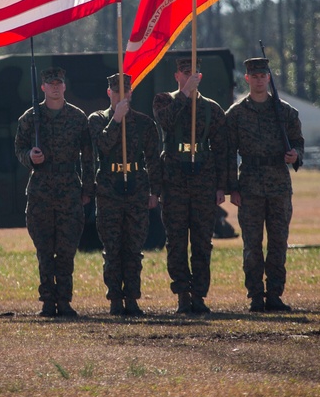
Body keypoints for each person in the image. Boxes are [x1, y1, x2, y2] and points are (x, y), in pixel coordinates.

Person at [14, 66, 95, 318]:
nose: (55, 87)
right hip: (41, 190)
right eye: (51, 84)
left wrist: (87, 188)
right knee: (44, 249)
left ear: (64, 86)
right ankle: (48, 302)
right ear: (43, 88)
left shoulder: (78, 117)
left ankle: (65, 301)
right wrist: (30, 156)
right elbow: (19, 149)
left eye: (59, 83)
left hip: (70, 189)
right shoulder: (30, 118)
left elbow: (88, 157)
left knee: (67, 248)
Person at [225, 57, 304, 313]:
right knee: (252, 244)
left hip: (279, 184)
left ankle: (275, 295)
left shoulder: (285, 112)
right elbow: (227, 153)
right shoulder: (236, 114)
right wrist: (232, 187)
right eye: (254, 76)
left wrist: (296, 155)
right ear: (247, 79)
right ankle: (256, 295)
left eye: (263, 76)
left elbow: (298, 142)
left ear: (268, 78)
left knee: (279, 242)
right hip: (249, 184)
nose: (259, 80)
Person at [153, 57, 228, 314]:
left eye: (194, 73)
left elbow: (222, 150)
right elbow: (166, 123)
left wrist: (222, 186)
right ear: (177, 76)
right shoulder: (164, 100)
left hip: (203, 181)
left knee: (202, 241)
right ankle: (182, 294)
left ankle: (199, 294)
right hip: (173, 181)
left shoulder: (212, 109)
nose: (189, 76)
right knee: (176, 241)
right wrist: (185, 94)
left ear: (201, 76)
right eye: (185, 73)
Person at [88, 73, 163, 317]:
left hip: (137, 188)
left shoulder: (144, 123)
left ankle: (132, 298)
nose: (121, 95)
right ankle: (114, 300)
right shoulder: (97, 120)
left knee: (133, 247)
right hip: (109, 189)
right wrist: (116, 120)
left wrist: (155, 192)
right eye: (116, 91)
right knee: (112, 248)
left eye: (125, 91)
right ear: (109, 93)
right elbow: (100, 146)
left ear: (131, 93)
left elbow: (153, 160)